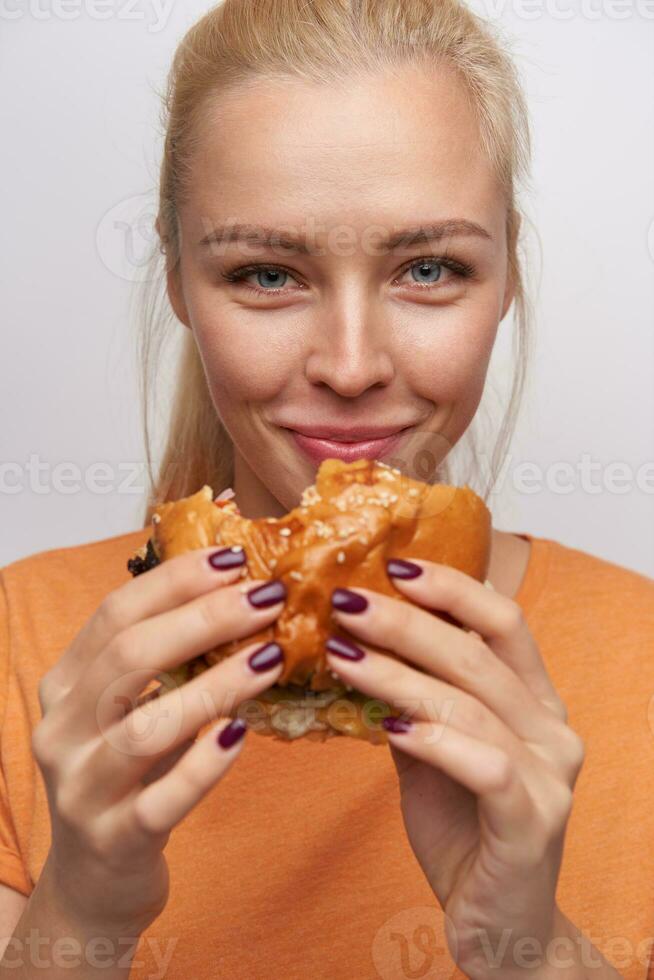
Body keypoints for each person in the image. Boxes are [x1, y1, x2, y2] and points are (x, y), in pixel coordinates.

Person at [1, 0, 652, 978]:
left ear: (508, 268)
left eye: (429, 267)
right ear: (177, 277)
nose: (351, 366)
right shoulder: (21, 643)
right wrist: (80, 916)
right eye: (267, 273)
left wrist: (528, 949)